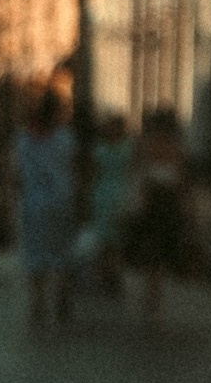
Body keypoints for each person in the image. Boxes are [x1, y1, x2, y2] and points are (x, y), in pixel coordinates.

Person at [13, 89, 77, 327]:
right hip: (62, 201)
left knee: (34, 252)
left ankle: (38, 300)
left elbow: (16, 174)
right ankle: (61, 294)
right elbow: (73, 168)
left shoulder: (22, 139)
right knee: (61, 250)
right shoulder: (66, 138)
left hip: (32, 203)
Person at [126, 106, 191, 323]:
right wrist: (187, 209)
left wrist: (134, 206)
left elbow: (138, 179)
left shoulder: (145, 148)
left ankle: (152, 302)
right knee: (159, 257)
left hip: (153, 207)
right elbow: (182, 183)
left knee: (153, 257)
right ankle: (154, 303)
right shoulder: (176, 149)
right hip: (167, 206)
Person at [82, 109, 133, 297]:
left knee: (113, 240)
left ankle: (112, 274)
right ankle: (109, 274)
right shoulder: (118, 148)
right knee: (106, 239)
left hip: (111, 195)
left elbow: (92, 173)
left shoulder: (104, 149)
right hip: (107, 195)